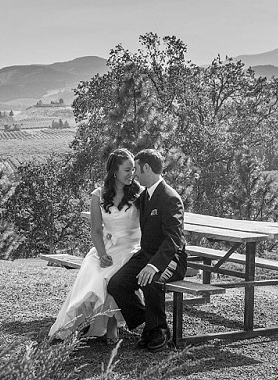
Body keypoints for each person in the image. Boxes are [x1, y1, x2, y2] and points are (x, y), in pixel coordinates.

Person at [48, 148, 142, 344]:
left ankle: (112, 325)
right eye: (127, 169)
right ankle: (72, 326)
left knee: (113, 276)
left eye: (133, 169)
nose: (132, 174)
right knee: (94, 271)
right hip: (107, 246)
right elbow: (96, 230)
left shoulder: (139, 193)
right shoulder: (99, 195)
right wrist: (101, 254)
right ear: (114, 171)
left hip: (132, 248)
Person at [107, 148, 187, 352]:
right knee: (116, 284)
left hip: (170, 259)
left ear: (147, 168)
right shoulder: (145, 196)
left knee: (149, 280)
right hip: (145, 256)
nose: (134, 174)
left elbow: (174, 239)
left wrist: (153, 265)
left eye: (137, 170)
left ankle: (160, 329)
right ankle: (149, 324)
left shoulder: (170, 197)